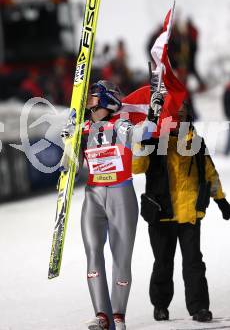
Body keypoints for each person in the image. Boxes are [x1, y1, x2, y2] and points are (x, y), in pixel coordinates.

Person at [132, 100, 230, 323]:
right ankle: (160, 306)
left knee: (194, 262)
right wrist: (144, 139)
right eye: (175, 111)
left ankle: (199, 308)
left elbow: (209, 173)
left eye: (183, 110)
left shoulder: (196, 142)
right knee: (163, 263)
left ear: (187, 115)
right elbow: (136, 167)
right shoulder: (154, 142)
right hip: (161, 214)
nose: (179, 113)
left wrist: (221, 200)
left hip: (189, 214)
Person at [80, 80, 164, 330]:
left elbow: (145, 133)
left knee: (121, 258)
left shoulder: (123, 125)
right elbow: (68, 164)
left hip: (120, 194)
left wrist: (154, 112)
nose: (89, 106)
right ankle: (102, 315)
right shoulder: (81, 129)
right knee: (93, 253)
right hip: (93, 195)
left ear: (108, 102)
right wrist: (66, 142)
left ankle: (118, 315)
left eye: (93, 100)